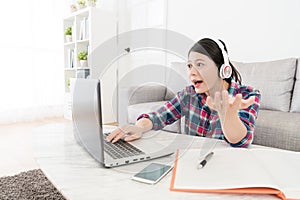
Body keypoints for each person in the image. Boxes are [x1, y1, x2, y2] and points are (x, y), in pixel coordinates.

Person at [107, 38, 261, 148]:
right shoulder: (189, 95)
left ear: (223, 68)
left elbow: (241, 141)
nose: (191, 73)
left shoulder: (247, 95)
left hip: (226, 168)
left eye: (199, 64)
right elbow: (158, 117)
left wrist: (227, 115)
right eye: (189, 66)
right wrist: (139, 127)